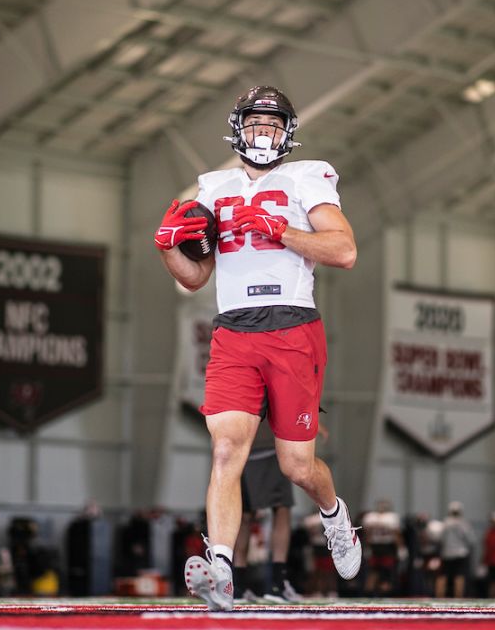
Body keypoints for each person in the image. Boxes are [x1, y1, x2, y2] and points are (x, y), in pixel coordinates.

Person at [156, 85, 361, 611]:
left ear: (287, 131)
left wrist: (281, 229)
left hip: (293, 328)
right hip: (232, 330)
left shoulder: (306, 175)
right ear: (238, 128)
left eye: (272, 124)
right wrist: (166, 248)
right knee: (226, 450)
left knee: (297, 467)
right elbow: (194, 276)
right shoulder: (213, 185)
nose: (262, 132)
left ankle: (335, 513)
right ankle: (222, 569)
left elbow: (343, 250)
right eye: (255, 123)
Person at [232, 420, 303, 603]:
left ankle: (238, 586)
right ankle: (278, 586)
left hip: (235, 443)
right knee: (281, 509)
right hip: (269, 443)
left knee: (244, 514)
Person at [360, 499, 403, 597]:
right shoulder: (391, 518)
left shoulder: (370, 517)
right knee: (386, 571)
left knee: (374, 571)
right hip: (387, 547)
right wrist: (401, 547)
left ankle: (370, 592)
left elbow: (367, 535)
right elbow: (396, 534)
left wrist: (367, 547)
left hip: (375, 546)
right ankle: (383, 593)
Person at [439, 501, 475, 598]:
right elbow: (471, 540)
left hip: (446, 553)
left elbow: (440, 538)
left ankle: (439, 597)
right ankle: (458, 597)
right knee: (459, 576)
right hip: (460, 553)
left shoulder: (445, 523)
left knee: (443, 575)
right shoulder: (464, 524)